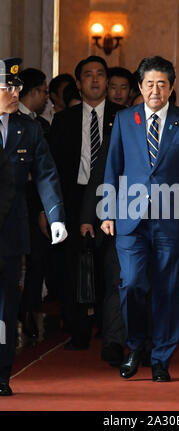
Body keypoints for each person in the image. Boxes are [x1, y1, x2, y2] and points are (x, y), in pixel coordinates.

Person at [101, 56, 179, 382]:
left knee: (164, 291)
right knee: (131, 283)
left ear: (172, 87)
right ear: (140, 86)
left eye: (162, 83)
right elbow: (113, 166)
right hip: (130, 219)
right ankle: (135, 346)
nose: (155, 90)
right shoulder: (123, 119)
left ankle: (161, 357)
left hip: (170, 220)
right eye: (149, 83)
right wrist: (107, 210)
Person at [49, 56, 125, 366]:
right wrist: (48, 209)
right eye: (87, 75)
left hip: (111, 200)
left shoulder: (124, 117)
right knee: (73, 266)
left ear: (107, 81)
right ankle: (78, 331)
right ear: (78, 83)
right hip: (73, 197)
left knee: (110, 267)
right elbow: (51, 168)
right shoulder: (64, 120)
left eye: (100, 75)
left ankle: (111, 332)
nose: (94, 80)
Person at [0, 57, 67, 396]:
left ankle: (0, 373)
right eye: (7, 87)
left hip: (11, 233)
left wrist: (55, 216)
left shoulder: (30, 128)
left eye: (16, 87)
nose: (15, 93)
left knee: (5, 305)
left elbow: (46, 173)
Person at [18, 68, 52, 338]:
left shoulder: (39, 125)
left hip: (32, 200)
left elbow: (46, 173)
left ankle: (29, 311)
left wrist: (44, 209)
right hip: (15, 200)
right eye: (44, 92)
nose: (47, 99)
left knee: (37, 258)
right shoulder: (16, 121)